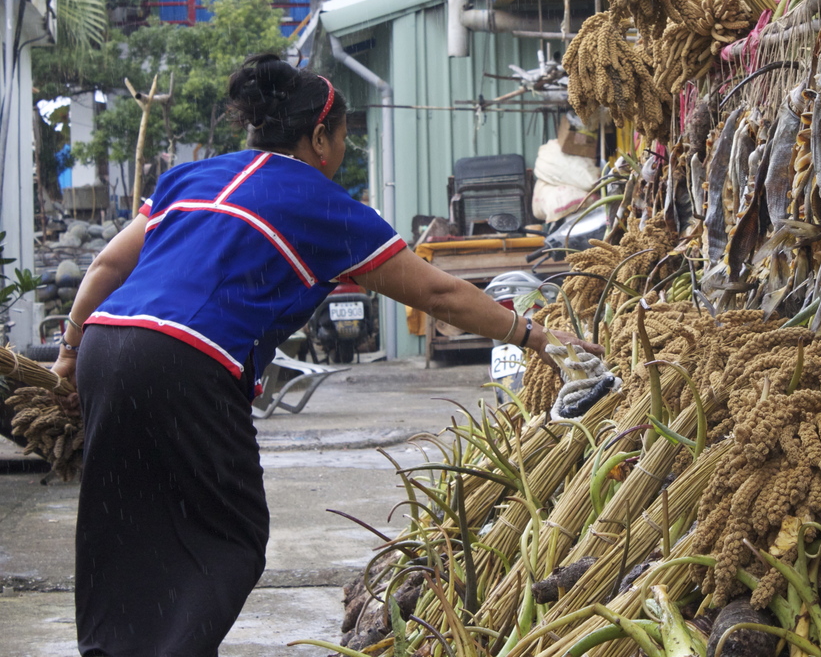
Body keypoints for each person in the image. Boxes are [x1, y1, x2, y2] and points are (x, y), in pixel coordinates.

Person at [50, 54, 597, 657]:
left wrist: (70, 354)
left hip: (106, 342)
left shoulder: (192, 177)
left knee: (123, 519)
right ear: (318, 138)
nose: (339, 152)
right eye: (341, 138)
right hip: (187, 361)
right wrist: (537, 336)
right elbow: (439, 292)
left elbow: (104, 266)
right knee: (230, 533)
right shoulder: (323, 204)